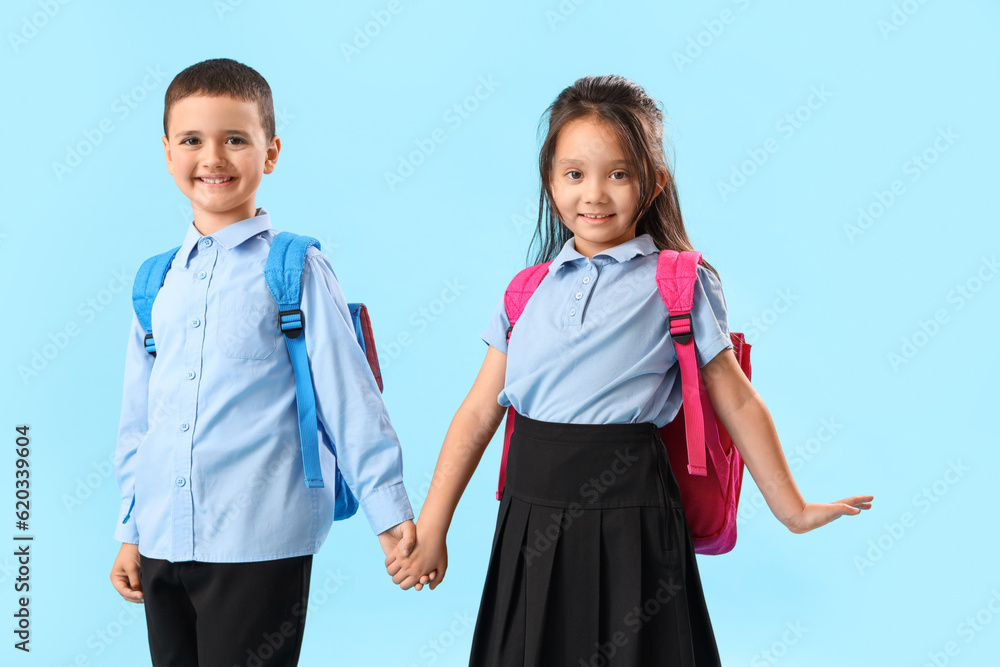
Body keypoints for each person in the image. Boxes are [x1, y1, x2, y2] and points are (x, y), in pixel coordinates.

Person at [385, 75, 874, 666]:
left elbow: (736, 399)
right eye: (574, 174)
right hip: (530, 512)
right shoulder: (525, 291)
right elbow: (479, 412)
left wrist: (792, 510)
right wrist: (434, 527)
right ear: (550, 180)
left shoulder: (679, 281)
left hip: (632, 513)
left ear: (653, 183)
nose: (594, 193)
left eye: (618, 173)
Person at [109, 58, 416, 667]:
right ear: (168, 152)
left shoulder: (294, 269)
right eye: (193, 140)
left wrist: (390, 514)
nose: (213, 157)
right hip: (164, 540)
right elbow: (139, 419)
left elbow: (349, 395)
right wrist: (130, 530)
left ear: (270, 152)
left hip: (258, 537)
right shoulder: (156, 281)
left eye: (235, 139)